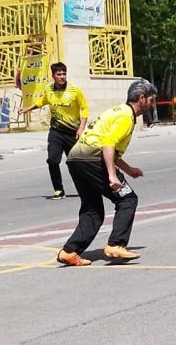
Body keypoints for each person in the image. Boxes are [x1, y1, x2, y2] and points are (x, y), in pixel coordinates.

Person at [55, 79, 157, 267]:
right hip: (92, 158)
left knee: (93, 209)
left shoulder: (118, 111)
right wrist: (112, 175)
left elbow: (111, 150)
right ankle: (116, 244)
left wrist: (129, 170)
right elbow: (108, 144)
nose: (152, 104)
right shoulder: (126, 116)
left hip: (76, 159)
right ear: (141, 98)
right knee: (127, 199)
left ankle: (69, 251)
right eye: (151, 100)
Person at [19, 62, 89, 199]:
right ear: (53, 76)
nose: (62, 76)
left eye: (64, 74)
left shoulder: (75, 90)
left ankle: (86, 188)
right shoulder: (49, 89)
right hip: (56, 132)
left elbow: (84, 108)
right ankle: (58, 190)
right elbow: (42, 101)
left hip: (72, 132)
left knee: (76, 163)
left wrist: (81, 128)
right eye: (59, 74)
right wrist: (27, 108)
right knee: (52, 160)